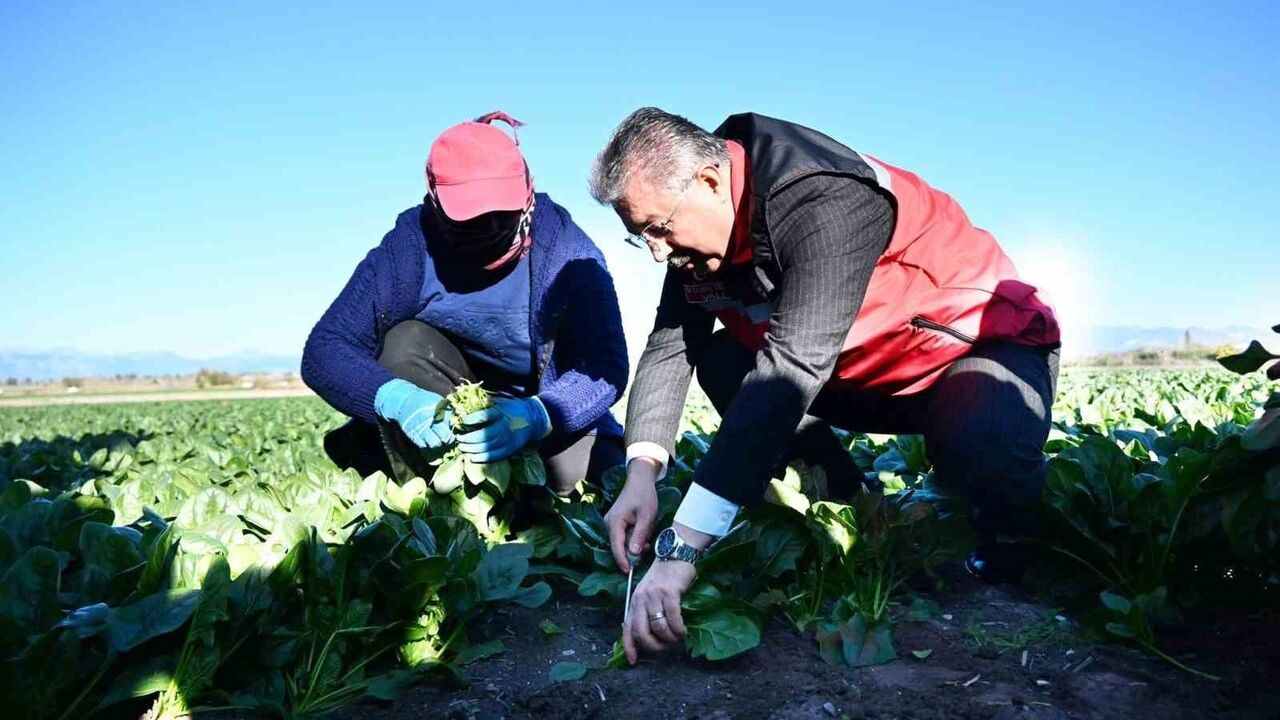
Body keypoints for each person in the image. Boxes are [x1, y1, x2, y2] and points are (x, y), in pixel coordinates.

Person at [589, 108, 1060, 664]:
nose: (657, 252)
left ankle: (1011, 543)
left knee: (983, 449)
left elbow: (790, 368)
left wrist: (682, 548)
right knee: (722, 360)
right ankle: (853, 505)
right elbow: (672, 345)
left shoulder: (821, 194)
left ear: (711, 182)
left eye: (657, 228)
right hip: (864, 375)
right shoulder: (697, 239)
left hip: (974, 356)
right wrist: (642, 474)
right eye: (640, 237)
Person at [302, 111, 627, 496]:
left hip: (538, 416)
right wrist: (397, 400)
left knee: (591, 487)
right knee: (402, 344)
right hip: (453, 405)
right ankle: (444, 490)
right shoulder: (411, 245)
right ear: (434, 201)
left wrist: (536, 415)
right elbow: (326, 348)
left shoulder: (567, 252)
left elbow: (605, 366)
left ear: (528, 190)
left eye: (502, 215)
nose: (490, 228)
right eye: (471, 219)